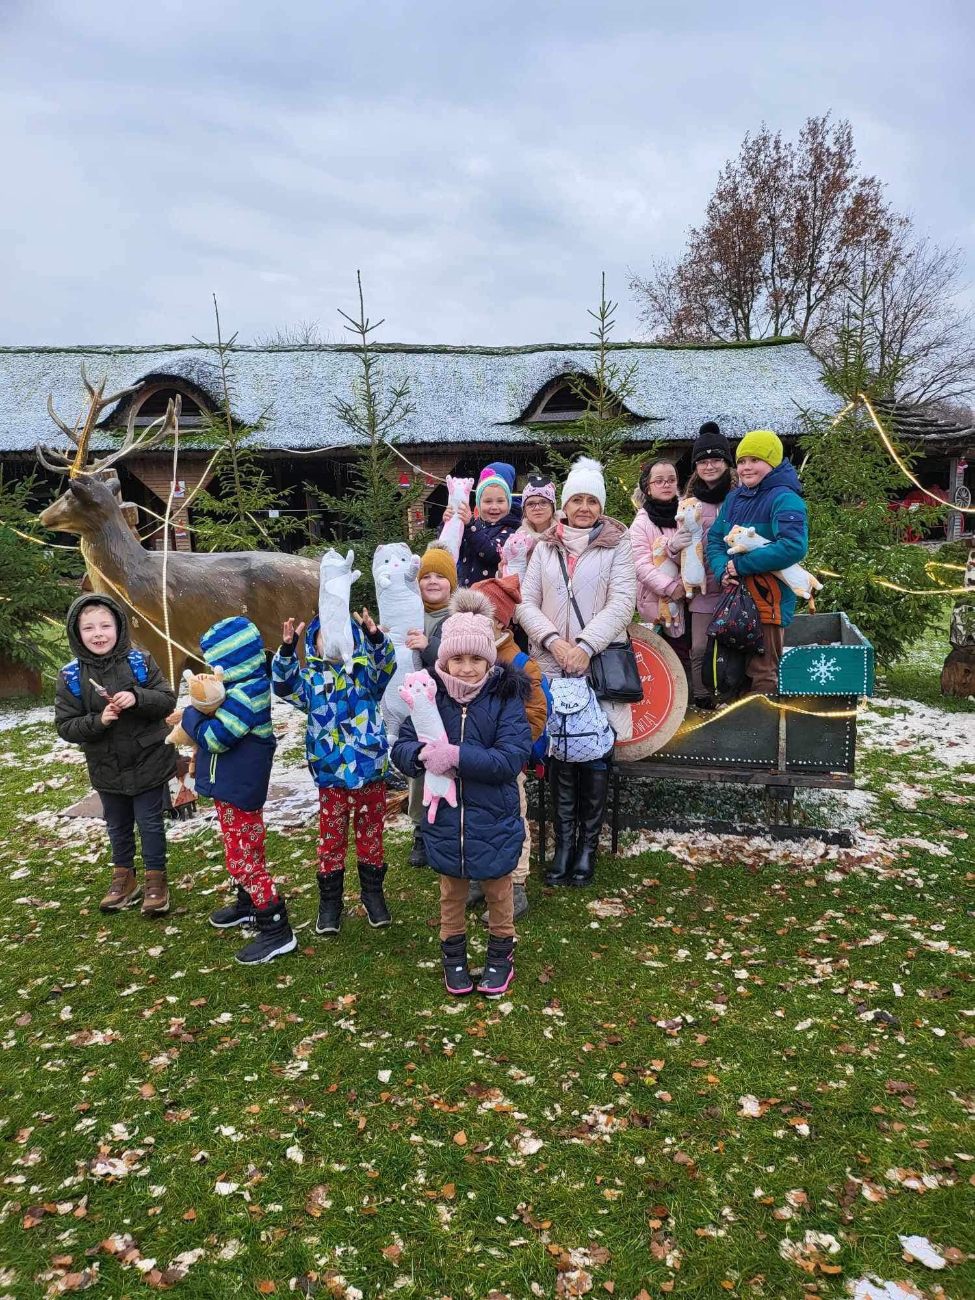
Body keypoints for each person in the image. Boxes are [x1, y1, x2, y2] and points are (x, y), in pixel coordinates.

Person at [392, 598, 532, 998]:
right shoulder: (429, 699)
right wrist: (419, 755)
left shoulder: (504, 700)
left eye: (476, 658)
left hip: (494, 820)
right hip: (447, 823)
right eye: (458, 658)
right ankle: (453, 956)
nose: (467, 668)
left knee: (499, 894)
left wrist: (454, 756)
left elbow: (509, 758)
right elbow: (401, 745)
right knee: (450, 896)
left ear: (489, 661)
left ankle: (499, 955)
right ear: (444, 660)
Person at [518, 457, 636, 888]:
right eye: (577, 499)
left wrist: (585, 646)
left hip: (597, 663)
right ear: (564, 503)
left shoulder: (616, 543)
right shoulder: (545, 546)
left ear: (600, 505)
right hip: (552, 663)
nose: (584, 507)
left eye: (591, 500)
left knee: (596, 753)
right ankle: (563, 845)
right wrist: (555, 642)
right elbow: (525, 603)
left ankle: (587, 847)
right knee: (561, 753)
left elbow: (623, 601)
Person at [174, 617, 293, 965]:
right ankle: (248, 904)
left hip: (241, 789)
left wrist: (190, 717)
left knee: (244, 856)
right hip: (232, 788)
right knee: (239, 848)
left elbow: (217, 737)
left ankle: (276, 927)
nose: (212, 670)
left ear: (232, 662)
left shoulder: (247, 695)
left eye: (216, 663)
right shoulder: (238, 689)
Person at [272, 604, 396, 936]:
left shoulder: (366, 674)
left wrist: (375, 638)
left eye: (342, 636)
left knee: (370, 834)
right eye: (325, 637)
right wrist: (286, 651)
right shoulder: (310, 680)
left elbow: (386, 666)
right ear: (313, 645)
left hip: (369, 768)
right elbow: (283, 687)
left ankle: (373, 894)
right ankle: (331, 902)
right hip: (330, 773)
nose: (334, 643)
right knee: (331, 839)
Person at [54, 594, 176, 917]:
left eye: (105, 625)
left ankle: (155, 879)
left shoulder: (140, 661)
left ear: (118, 627)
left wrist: (137, 698)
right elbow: (65, 725)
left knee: (149, 823)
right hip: (106, 766)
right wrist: (98, 721)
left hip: (148, 759)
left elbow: (167, 700)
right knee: (117, 824)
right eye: (89, 628)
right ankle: (125, 877)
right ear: (76, 633)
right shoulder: (70, 677)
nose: (98, 633)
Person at [465, 579, 549, 922]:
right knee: (473, 817)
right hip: (470, 760)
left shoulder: (519, 663)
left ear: (500, 620)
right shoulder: (464, 654)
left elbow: (536, 713)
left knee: (511, 819)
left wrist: (511, 748)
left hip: (504, 762)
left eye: (481, 614)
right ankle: (478, 876)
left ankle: (515, 886)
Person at [706, 430, 809, 696]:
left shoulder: (785, 499)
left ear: (772, 463)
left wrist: (740, 566)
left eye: (755, 460)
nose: (746, 467)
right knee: (731, 672)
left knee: (762, 673)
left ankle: (760, 731)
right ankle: (735, 731)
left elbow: (793, 546)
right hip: (733, 601)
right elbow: (716, 539)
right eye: (742, 461)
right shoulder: (734, 498)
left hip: (768, 601)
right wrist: (721, 569)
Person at [404, 540, 458, 867]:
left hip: (449, 703)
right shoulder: (408, 612)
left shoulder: (457, 615)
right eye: (426, 576)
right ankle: (421, 829)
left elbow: (458, 655)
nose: (433, 582)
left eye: (440, 576)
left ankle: (447, 826)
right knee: (419, 768)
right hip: (417, 708)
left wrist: (429, 645)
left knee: (448, 765)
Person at [680, 423, 736, 708]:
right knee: (700, 647)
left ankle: (733, 699)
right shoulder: (689, 502)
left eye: (715, 459)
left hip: (735, 585)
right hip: (701, 587)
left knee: (736, 644)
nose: (709, 465)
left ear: (726, 463)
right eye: (703, 461)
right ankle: (703, 699)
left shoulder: (739, 497)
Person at [628, 459, 691, 688]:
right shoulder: (641, 524)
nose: (666, 485)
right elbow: (641, 564)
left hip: (693, 598)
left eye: (671, 480)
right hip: (659, 601)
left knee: (692, 652)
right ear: (648, 487)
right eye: (659, 481)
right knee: (669, 657)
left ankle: (693, 702)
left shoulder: (687, 513)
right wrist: (671, 587)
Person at [444, 461, 522, 587]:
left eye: (500, 501)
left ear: (508, 505)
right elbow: (449, 548)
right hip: (465, 594)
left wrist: (470, 526)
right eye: (488, 501)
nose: (494, 507)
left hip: (491, 598)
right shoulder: (471, 526)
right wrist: (448, 523)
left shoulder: (511, 531)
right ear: (478, 506)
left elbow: (492, 553)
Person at [515, 473, 558, 554]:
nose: (537, 508)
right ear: (524, 510)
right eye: (531, 504)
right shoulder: (517, 538)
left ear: (553, 507)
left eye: (544, 502)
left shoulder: (564, 534)